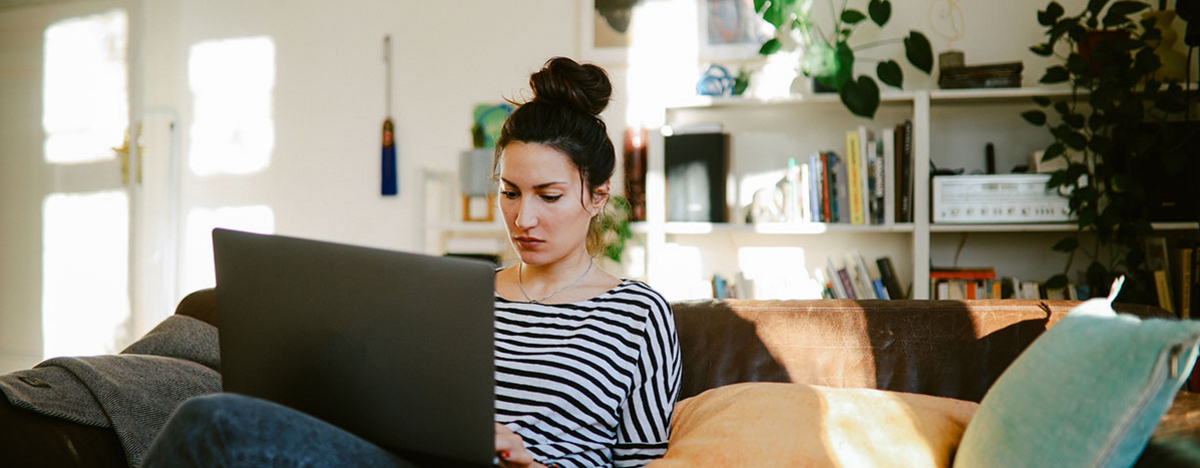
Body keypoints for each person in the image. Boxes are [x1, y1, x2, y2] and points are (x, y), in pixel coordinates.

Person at [141, 56, 681, 468]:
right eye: (510, 192)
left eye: (549, 195)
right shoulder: (456, 296)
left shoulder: (639, 314)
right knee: (213, 419)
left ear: (598, 195)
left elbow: (644, 465)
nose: (524, 218)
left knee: (212, 421)